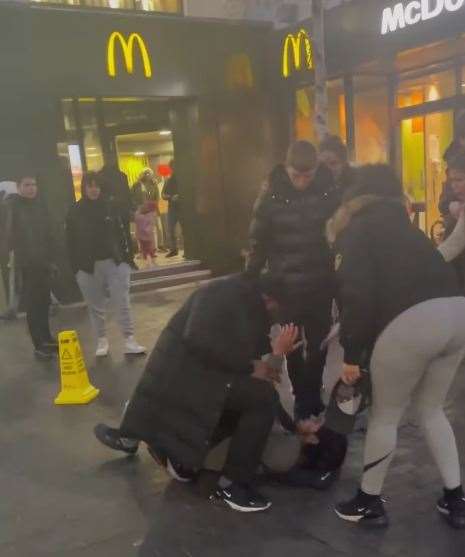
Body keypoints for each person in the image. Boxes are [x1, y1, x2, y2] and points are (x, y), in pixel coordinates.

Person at [327, 164, 465, 529]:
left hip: (411, 323)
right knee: (432, 409)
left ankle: (369, 501)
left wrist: (353, 355)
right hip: (457, 314)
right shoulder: (408, 230)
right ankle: (457, 498)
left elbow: (357, 296)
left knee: (385, 415)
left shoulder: (357, 232)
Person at [94, 273, 302, 513]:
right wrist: (259, 363)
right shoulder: (225, 296)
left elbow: (262, 374)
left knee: (257, 399)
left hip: (195, 384)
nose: (276, 322)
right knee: (259, 401)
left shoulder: (245, 304)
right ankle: (233, 484)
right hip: (192, 381)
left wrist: (293, 426)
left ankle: (156, 444)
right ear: (269, 300)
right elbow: (201, 340)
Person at [247, 140, 338, 423]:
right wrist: (250, 279)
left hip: (321, 283)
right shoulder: (270, 195)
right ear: (285, 168)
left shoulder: (329, 192)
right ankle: (302, 398)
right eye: (295, 175)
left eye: (307, 176)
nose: (301, 182)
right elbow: (257, 241)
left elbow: (342, 234)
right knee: (293, 347)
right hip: (285, 285)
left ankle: (311, 394)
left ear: (316, 170)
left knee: (320, 344)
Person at [66, 172, 146, 358]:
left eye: (97, 185)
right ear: (83, 187)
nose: (93, 189)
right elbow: (70, 241)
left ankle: (129, 340)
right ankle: (102, 340)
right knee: (95, 306)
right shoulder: (74, 211)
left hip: (115, 262)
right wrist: (76, 268)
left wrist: (127, 259)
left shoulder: (112, 207)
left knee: (122, 302)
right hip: (87, 266)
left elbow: (124, 233)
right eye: (89, 185)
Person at [3, 174, 58, 359]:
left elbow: (47, 233)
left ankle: (47, 339)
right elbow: (11, 237)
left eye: (34, 184)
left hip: (43, 263)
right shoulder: (13, 207)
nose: (31, 188)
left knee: (44, 302)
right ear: (19, 187)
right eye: (27, 185)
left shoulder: (39, 206)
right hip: (27, 264)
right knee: (33, 306)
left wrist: (50, 259)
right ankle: (39, 345)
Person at [162, 160, 183, 258]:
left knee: (185, 229)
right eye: (172, 167)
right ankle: (174, 249)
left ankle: (187, 249)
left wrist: (180, 196)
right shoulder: (168, 181)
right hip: (172, 208)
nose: (174, 169)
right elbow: (163, 195)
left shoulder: (183, 179)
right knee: (170, 229)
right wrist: (171, 197)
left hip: (183, 207)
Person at [134, 201, 157, 267]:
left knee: (146, 250)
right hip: (148, 236)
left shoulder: (138, 215)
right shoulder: (151, 216)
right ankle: (150, 263)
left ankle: (150, 262)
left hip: (141, 236)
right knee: (149, 250)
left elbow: (136, 218)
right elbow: (151, 225)